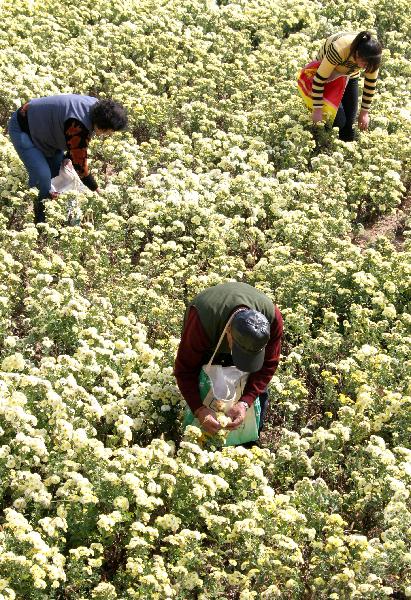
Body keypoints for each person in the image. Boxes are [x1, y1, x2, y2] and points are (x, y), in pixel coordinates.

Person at [174, 281, 283, 439]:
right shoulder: (201, 321)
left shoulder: (272, 319)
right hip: (211, 337)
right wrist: (199, 410)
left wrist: (245, 401)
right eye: (240, 351)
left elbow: (268, 364)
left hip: (227, 331)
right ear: (229, 332)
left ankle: (247, 441)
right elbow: (185, 370)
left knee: (258, 394)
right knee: (204, 389)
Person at [7, 94, 128, 223]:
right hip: (24, 129)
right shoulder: (79, 122)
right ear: (102, 124)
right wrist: (96, 189)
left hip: (47, 137)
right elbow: (79, 164)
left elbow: (75, 146)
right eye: (108, 131)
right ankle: (39, 223)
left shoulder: (97, 109)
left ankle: (55, 219)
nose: (109, 134)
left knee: (57, 174)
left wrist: (68, 158)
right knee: (43, 177)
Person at [298, 31, 382, 141]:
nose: (365, 68)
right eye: (365, 64)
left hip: (349, 74)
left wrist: (364, 113)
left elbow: (370, 84)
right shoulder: (339, 49)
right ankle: (320, 143)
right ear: (357, 54)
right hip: (327, 73)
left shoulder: (373, 56)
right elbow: (319, 80)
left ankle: (341, 150)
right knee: (337, 121)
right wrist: (317, 110)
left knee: (349, 124)